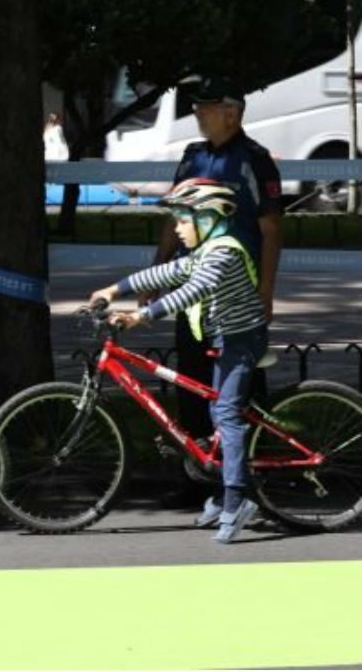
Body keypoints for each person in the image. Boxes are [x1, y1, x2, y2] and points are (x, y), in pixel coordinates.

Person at [90, 180, 266, 543]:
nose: (177, 229)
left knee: (227, 415)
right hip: (220, 339)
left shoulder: (224, 252)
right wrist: (114, 289)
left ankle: (238, 499)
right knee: (215, 413)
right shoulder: (204, 251)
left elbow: (193, 290)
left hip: (240, 340)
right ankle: (220, 492)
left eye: (183, 221)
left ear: (208, 219)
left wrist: (142, 315)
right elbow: (165, 273)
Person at [146, 75, 283, 504]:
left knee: (241, 389)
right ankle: (199, 478)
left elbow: (272, 227)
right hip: (195, 293)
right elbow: (175, 218)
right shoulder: (192, 157)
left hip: (239, 294)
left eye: (206, 107)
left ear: (232, 112)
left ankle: (253, 482)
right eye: (196, 106)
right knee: (192, 382)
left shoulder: (254, 160)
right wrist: (158, 266)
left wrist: (266, 291)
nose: (197, 113)